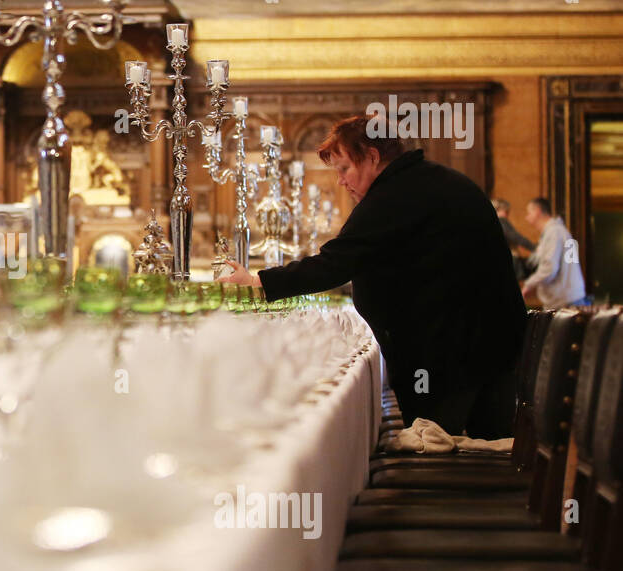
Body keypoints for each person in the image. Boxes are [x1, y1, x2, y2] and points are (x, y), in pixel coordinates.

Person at [221, 114, 526, 440]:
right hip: (480, 348)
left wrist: (258, 283)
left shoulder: (395, 195)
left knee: (433, 443)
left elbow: (335, 263)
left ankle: (438, 488)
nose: (340, 181)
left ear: (372, 157)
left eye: (344, 168)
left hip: (453, 358)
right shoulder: (426, 182)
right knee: (479, 441)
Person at [521, 197, 587, 309]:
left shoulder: (554, 232)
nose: (527, 218)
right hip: (570, 297)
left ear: (537, 211)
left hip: (565, 301)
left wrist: (528, 285)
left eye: (529, 213)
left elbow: (549, 268)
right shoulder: (560, 231)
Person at [492, 197, 534, 279]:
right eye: (506, 211)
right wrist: (533, 247)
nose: (507, 214)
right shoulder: (501, 221)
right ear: (499, 209)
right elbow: (515, 237)